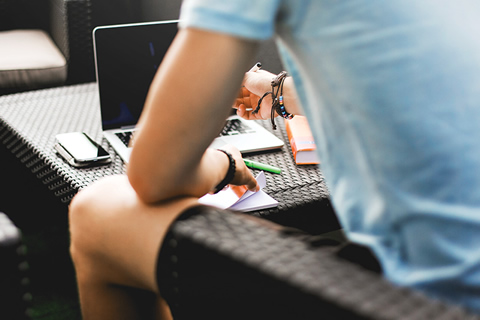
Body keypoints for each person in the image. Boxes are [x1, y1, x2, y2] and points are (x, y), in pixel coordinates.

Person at [68, 0, 480, 319]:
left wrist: (225, 162)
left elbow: (154, 176)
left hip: (435, 298)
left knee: (98, 213)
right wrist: (278, 91)